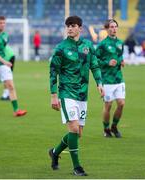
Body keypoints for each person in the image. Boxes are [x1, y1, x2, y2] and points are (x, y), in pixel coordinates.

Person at [49, 16, 104, 176]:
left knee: (78, 133)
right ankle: (77, 167)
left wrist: (99, 83)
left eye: (73, 26)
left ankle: (54, 152)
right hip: (67, 93)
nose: (70, 28)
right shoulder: (61, 48)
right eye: (68, 26)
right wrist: (54, 95)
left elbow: (94, 64)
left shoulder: (87, 46)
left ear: (80, 28)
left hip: (82, 94)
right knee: (72, 128)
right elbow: (53, 72)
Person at [0, 16, 27, 117]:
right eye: (0, 23)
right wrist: (5, 61)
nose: (2, 25)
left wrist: (6, 61)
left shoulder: (5, 35)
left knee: (11, 86)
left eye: (4, 23)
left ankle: (16, 110)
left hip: (4, 64)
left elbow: (2, 50)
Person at [96, 19, 125, 138]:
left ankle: (114, 126)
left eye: (115, 27)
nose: (114, 29)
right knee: (108, 105)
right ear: (107, 29)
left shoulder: (120, 42)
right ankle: (106, 128)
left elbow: (119, 55)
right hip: (107, 80)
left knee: (121, 104)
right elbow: (95, 60)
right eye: (111, 27)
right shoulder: (102, 44)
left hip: (119, 78)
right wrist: (107, 62)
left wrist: (121, 61)